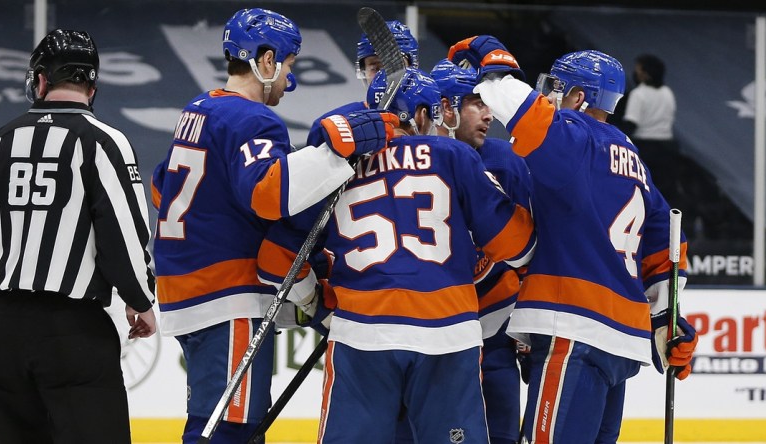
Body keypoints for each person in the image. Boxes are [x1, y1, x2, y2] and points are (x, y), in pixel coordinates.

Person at [150, 8, 393, 443]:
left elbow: (160, 188)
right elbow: (267, 196)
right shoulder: (253, 119)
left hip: (184, 290)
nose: (288, 79)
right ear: (267, 62)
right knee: (230, 428)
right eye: (289, 65)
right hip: (226, 295)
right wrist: (333, 153)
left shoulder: (198, 109)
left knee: (221, 419)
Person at [256, 67, 536, 443]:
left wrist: (316, 301)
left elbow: (275, 260)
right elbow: (519, 247)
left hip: (362, 335)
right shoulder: (455, 155)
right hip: (448, 333)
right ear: (422, 115)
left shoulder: (335, 166)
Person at [447, 37, 699, 443]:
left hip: (574, 327)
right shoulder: (634, 159)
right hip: (623, 342)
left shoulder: (576, 136)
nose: (548, 97)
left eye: (557, 89)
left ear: (580, 96)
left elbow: (519, 106)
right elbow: (668, 248)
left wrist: (491, 59)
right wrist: (666, 323)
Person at [0, 29, 157, 444]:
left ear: (41, 81)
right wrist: (139, 301)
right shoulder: (104, 141)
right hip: (71, 331)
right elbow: (122, 231)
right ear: (92, 85)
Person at [424, 58, 533, 444]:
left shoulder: (506, 159)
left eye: (489, 104)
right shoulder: (410, 163)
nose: (489, 115)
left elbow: (531, 249)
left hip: (497, 327)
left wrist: (528, 325)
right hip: (435, 333)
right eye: (477, 103)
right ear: (447, 108)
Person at [304, 20, 419, 149]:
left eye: (393, 65)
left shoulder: (430, 116)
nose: (384, 77)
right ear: (363, 72)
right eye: (375, 68)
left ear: (413, 68)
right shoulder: (329, 125)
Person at [621, 54, 680, 205]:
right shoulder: (668, 93)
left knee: (643, 193)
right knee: (664, 195)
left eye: (638, 70)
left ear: (646, 74)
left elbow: (631, 124)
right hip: (668, 150)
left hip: (646, 149)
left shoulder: (638, 94)